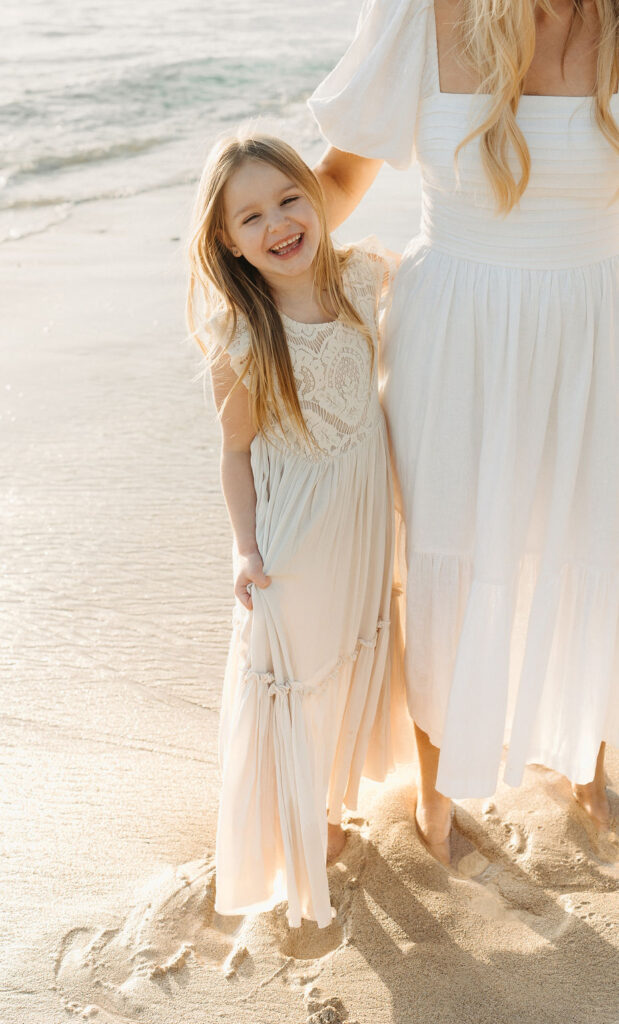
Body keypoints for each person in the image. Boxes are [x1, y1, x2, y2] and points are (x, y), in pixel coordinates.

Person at [308, 0, 619, 865]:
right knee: (444, 553)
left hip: (596, 327)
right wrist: (257, 257)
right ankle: (436, 790)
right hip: (453, 332)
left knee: (591, 544)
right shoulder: (420, 13)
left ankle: (584, 753)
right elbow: (337, 181)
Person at [187, 132, 413, 928]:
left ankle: (323, 803)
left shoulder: (361, 276)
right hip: (297, 529)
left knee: (346, 651)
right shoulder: (243, 336)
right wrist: (245, 549)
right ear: (226, 241)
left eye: (288, 200)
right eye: (251, 217)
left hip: (359, 506)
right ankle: (293, 828)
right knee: (294, 662)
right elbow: (236, 454)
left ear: (314, 200)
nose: (277, 224)